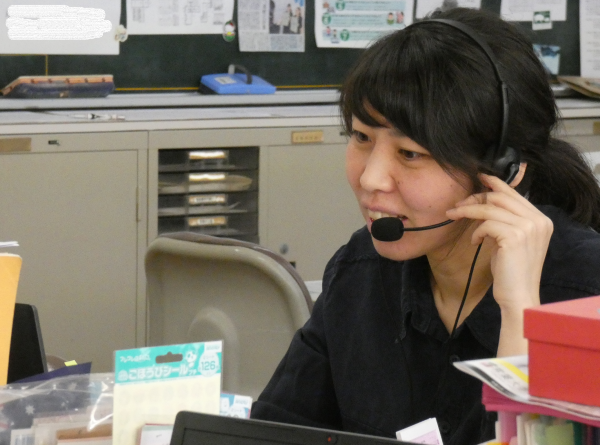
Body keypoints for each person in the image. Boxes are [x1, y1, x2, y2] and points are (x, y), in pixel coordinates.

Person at [251, 7, 600, 445]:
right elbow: (271, 432)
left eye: (410, 153)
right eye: (361, 137)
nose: (370, 179)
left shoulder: (586, 294)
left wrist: (520, 314)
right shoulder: (360, 272)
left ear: (503, 169)